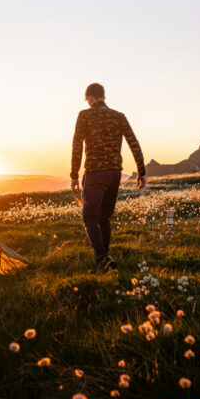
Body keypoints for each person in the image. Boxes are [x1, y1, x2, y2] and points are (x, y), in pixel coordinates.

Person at [70, 83, 146, 273]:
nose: (87, 103)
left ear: (91, 97)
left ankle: (102, 258)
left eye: (87, 99)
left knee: (89, 217)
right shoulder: (119, 117)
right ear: (103, 96)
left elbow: (77, 145)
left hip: (95, 172)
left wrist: (74, 175)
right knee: (104, 217)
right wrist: (141, 171)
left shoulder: (85, 115)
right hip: (114, 173)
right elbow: (133, 143)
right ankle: (105, 261)